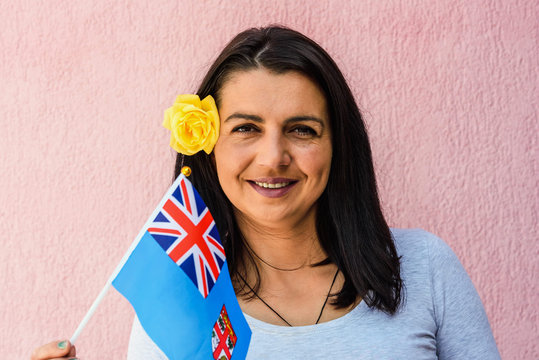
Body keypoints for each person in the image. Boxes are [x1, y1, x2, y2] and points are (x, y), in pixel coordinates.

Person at [32, 26, 501, 360]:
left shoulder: (426, 270)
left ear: (339, 144)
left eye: (301, 129)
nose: (273, 156)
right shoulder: (179, 304)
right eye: (246, 129)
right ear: (208, 145)